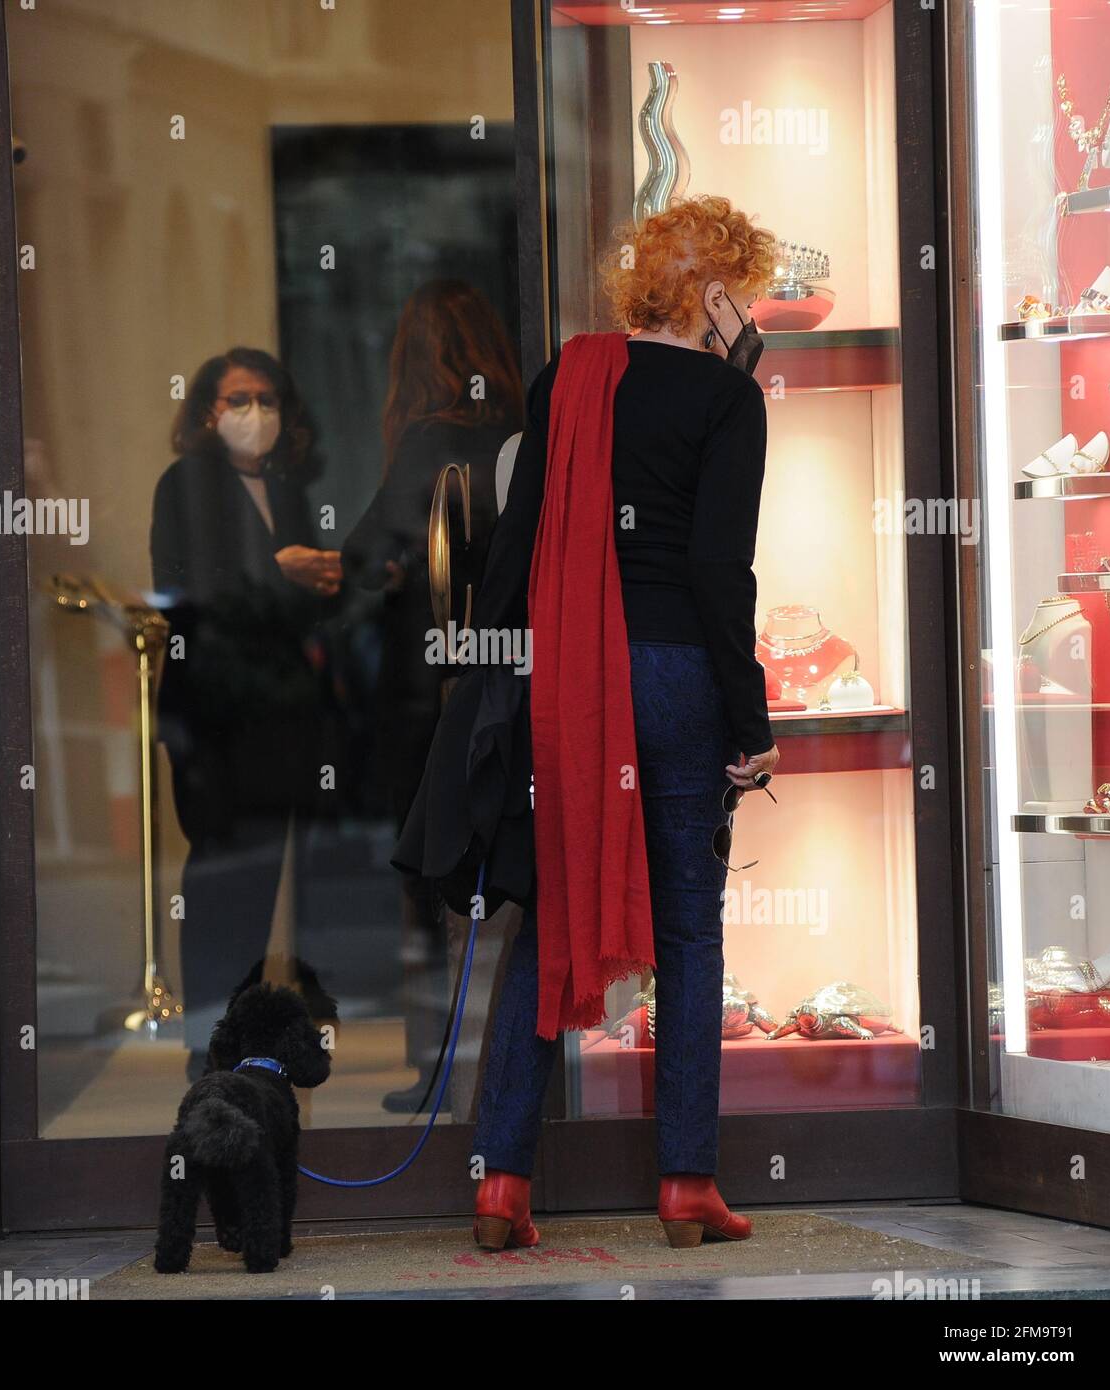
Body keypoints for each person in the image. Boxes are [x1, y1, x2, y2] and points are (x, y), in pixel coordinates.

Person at [397, 195, 781, 1249]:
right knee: (690, 926)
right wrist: (748, 720)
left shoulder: (572, 376)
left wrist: (502, 680)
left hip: (573, 680)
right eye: (737, 288)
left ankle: (502, 1181)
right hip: (676, 678)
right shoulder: (728, 402)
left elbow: (515, 547)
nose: (743, 307)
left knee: (549, 907)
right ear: (712, 293)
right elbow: (717, 571)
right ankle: (685, 1183)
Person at [344, 280, 524, 1112]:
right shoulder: (522, 435)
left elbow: (371, 552)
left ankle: (438, 1067)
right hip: (511, 674)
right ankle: (512, 1062)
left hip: (431, 685)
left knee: (427, 877)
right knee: (514, 872)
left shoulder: (427, 441)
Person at [151, 347, 341, 1080]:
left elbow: (287, 608)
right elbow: (185, 592)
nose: (253, 413)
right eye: (237, 399)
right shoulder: (185, 484)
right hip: (212, 712)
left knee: (262, 873)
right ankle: (208, 1043)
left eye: (266, 398)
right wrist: (279, 572)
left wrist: (322, 580)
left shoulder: (289, 488)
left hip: (281, 713)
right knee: (217, 873)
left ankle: (242, 1035)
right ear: (207, 411)